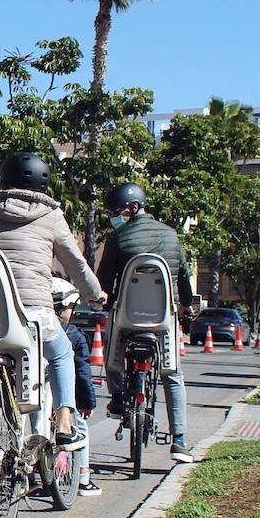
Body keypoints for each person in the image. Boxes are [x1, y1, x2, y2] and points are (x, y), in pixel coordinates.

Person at [0, 153, 105, 518]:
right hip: (32, 318)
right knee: (63, 353)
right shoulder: (51, 216)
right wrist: (94, 292)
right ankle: (64, 419)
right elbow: (76, 264)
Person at [96, 182, 194, 463]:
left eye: (118, 212)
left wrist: (105, 299)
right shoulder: (172, 236)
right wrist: (185, 306)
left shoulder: (119, 238)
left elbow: (105, 283)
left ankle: (117, 398)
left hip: (127, 318)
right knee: (172, 373)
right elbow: (184, 278)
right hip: (165, 319)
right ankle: (180, 441)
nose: (116, 218)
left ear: (134, 208)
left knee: (112, 355)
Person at [54, 277, 102, 496]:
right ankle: (83, 477)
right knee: (80, 427)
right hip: (66, 396)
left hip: (38, 394)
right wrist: (87, 401)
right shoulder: (73, 334)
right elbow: (83, 372)